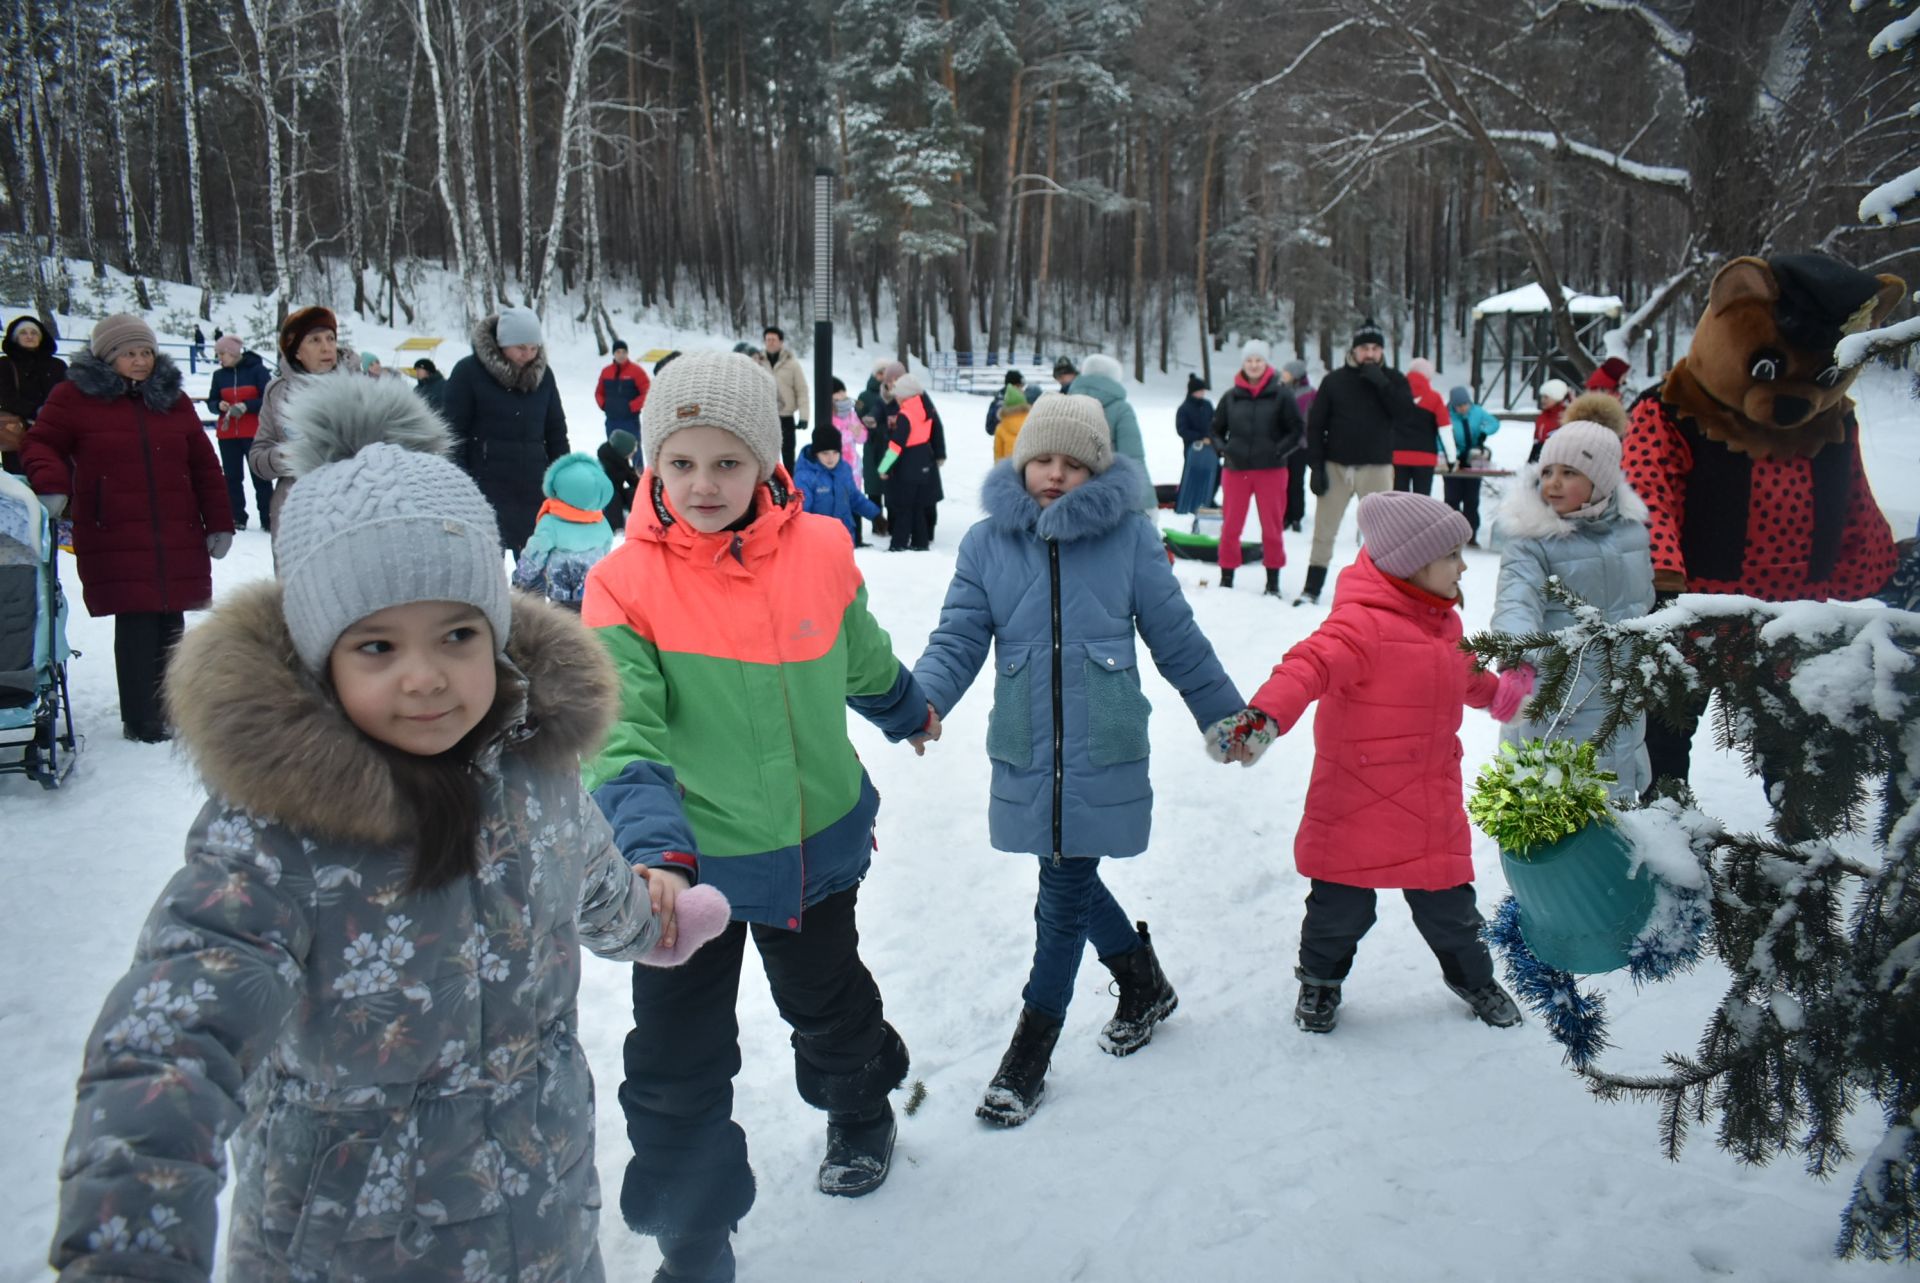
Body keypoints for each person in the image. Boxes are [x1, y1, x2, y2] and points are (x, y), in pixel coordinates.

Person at [48, 375, 727, 1280]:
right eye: (378, 645)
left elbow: (591, 873)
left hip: (541, 1213)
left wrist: (652, 923)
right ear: (318, 655)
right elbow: (170, 1043)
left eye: (457, 635)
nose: (426, 677)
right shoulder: (272, 837)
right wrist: (129, 1245)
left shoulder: (536, 769)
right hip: (350, 1244)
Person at [581, 351, 937, 1282]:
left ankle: (861, 1106)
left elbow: (859, 653)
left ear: (767, 463)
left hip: (817, 848)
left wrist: (906, 709)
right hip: (683, 875)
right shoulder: (623, 585)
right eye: (682, 463)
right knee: (674, 1058)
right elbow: (622, 735)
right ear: (653, 465)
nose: (703, 485)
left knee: (827, 1004)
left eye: (727, 462)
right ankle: (693, 1240)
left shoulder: (821, 548)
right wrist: (653, 850)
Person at [912, 395, 1243, 1126]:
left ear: (1098, 470)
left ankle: (1028, 1052)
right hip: (1030, 747)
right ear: (1020, 458)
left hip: (1104, 742)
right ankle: (1140, 980)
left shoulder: (1128, 539)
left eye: (1073, 462)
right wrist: (923, 701)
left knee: (1059, 894)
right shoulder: (986, 544)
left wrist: (1226, 716)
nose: (1055, 474)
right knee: (1067, 871)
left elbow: (1177, 638)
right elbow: (959, 637)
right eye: (1043, 459)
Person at [1212, 491, 1530, 1034]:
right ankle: (1319, 982)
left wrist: (1503, 694)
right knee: (1338, 912)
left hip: (1428, 801)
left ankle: (1472, 978)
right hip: (1355, 799)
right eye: (1452, 554)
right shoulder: (1360, 625)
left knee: (1452, 913)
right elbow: (1305, 667)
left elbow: (1466, 678)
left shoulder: (1442, 626)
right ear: (1413, 563)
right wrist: (1260, 720)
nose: (1462, 565)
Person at [22, 314, 234, 742]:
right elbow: (40, 442)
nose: (140, 361)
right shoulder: (74, 397)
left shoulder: (171, 399)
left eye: (146, 353)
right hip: (114, 526)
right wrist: (52, 485)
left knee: (171, 619)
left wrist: (219, 521)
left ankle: (174, 706)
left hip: (175, 524)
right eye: (129, 353)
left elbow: (203, 464)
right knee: (137, 621)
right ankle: (141, 716)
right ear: (107, 357)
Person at [1490, 398, 1654, 801]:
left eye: (1569, 472)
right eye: (1546, 471)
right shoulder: (1532, 540)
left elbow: (1643, 603)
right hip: (1557, 690)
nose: (1553, 483)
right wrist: (1516, 658)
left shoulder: (1633, 534)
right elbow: (1516, 599)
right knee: (1552, 792)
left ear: (1601, 480)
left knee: (1615, 787)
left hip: (1621, 689)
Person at [1298, 317, 1414, 606]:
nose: (1370, 354)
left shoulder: (1394, 379)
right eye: (1365, 348)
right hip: (1336, 466)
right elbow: (1315, 426)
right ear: (1354, 350)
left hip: (1376, 467)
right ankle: (1312, 588)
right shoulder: (1334, 381)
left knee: (1384, 535)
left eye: (1376, 348)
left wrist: (1382, 384)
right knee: (1325, 530)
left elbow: (1407, 417)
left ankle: (1386, 591)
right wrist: (1316, 466)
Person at [443, 305, 569, 556]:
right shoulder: (468, 373)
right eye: (521, 348)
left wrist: (563, 477)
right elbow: (452, 436)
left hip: (534, 489)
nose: (529, 355)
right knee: (487, 573)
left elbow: (555, 432)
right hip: (484, 493)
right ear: (501, 343)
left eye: (534, 348)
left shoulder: (543, 376)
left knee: (534, 576)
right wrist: (460, 487)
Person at [250, 306, 358, 537]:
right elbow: (258, 458)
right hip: (297, 513)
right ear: (296, 351)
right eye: (315, 340)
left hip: (352, 507)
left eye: (330, 338)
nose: (326, 347)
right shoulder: (277, 393)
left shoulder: (360, 387)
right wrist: (291, 456)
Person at [1211, 340, 1304, 595]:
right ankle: (1227, 576)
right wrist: (1223, 449)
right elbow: (1215, 429)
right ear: (1243, 364)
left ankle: (1272, 581)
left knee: (1272, 527)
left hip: (1271, 471)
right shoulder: (1231, 397)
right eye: (1249, 361)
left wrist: (1278, 451)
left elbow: (1296, 429)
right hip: (1236, 470)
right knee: (1231, 526)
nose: (1254, 365)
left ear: (1266, 364)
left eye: (1259, 361)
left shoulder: (1281, 393)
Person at [514, 451, 617, 610]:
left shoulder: (551, 523)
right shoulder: (601, 522)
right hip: (592, 591)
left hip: (561, 595)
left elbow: (535, 553)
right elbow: (607, 556)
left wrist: (521, 577)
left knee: (563, 630)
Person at [205, 334, 275, 532]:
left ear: (233, 352)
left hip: (254, 432)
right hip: (228, 435)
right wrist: (218, 405)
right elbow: (211, 402)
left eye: (222, 353)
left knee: (260, 476)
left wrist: (247, 406)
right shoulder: (219, 376)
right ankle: (237, 516)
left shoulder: (257, 371)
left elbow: (268, 398)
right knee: (232, 477)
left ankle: (268, 517)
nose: (219, 358)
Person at [1070, 354, 1155, 510]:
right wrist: (1147, 504)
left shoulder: (1066, 404)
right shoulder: (1121, 409)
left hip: (1069, 491)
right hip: (1109, 495)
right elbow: (1134, 457)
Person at [880, 371, 944, 551]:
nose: (897, 399)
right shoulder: (925, 408)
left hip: (908, 464)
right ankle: (920, 542)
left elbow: (896, 445)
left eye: (898, 395)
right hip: (924, 460)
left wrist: (884, 467)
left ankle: (898, 544)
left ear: (906, 395)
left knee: (903, 507)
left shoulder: (905, 415)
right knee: (917, 506)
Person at [1, 314, 66, 476]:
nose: (29, 336)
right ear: (15, 337)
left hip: (55, 429)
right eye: (24, 332)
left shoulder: (57, 365)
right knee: (22, 478)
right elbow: (5, 396)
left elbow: (68, 394)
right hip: (20, 430)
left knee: (56, 477)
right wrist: (35, 411)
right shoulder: (5, 364)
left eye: (34, 332)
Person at [796, 423, 881, 546]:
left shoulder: (844, 469)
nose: (831, 458)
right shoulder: (805, 477)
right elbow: (802, 512)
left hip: (844, 536)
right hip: (818, 541)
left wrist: (875, 515)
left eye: (835, 452)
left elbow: (854, 497)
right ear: (816, 453)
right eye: (825, 453)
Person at [1442, 385, 1502, 546]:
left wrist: (1484, 432)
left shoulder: (1477, 411)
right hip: (1452, 460)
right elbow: (1439, 435)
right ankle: (1452, 534)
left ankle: (1471, 533)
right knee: (1452, 498)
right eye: (1459, 406)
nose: (1463, 408)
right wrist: (1444, 455)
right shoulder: (1445, 414)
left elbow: (1494, 424)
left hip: (1474, 459)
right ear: (1453, 405)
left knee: (1471, 499)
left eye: (1465, 404)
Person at [1396, 358, 1452, 495]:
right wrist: (1451, 457)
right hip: (1425, 458)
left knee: (1397, 502)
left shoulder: (1395, 395)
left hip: (1397, 456)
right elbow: (1445, 429)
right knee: (1421, 503)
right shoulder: (1435, 398)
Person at [763, 325, 810, 472]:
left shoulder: (792, 364)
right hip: (765, 417)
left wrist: (804, 416)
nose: (770, 342)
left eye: (774, 339)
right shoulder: (758, 362)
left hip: (786, 417)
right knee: (767, 457)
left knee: (788, 456)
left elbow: (802, 390)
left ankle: (790, 490)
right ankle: (768, 491)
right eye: (767, 339)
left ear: (781, 342)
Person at [856, 360, 894, 537]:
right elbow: (857, 416)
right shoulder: (864, 396)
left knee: (892, 486)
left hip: (891, 444)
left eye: (885, 373)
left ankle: (893, 523)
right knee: (873, 486)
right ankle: (877, 524)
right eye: (880, 373)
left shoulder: (893, 393)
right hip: (872, 445)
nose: (882, 377)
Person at [1173, 374, 1217, 515]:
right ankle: (1186, 501)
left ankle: (1208, 498)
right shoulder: (1184, 409)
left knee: (1216, 473)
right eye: (1199, 391)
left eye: (1203, 391)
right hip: (1193, 449)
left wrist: (1213, 437)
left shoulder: (1207, 405)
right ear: (1192, 392)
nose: (1202, 393)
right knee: (1192, 475)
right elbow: (1182, 430)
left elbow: (1215, 423)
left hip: (1210, 448)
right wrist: (1199, 438)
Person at [1279, 360, 1315, 531]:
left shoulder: (1310, 394)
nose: (1283, 375)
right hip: (1282, 444)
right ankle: (1284, 515)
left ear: (1295, 375)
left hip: (1300, 446)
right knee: (1282, 482)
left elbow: (1313, 420)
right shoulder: (1280, 391)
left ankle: (1296, 517)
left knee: (1296, 482)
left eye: (1286, 372)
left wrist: (1306, 439)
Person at [597, 338, 651, 444]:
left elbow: (648, 392)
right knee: (613, 451)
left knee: (634, 451)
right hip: (611, 420)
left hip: (630, 420)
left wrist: (631, 407)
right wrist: (604, 405)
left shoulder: (636, 371)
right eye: (618, 352)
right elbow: (599, 392)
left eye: (624, 352)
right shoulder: (606, 371)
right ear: (614, 354)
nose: (621, 355)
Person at [600, 427, 641, 533]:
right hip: (603, 497)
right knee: (613, 497)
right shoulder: (604, 464)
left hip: (617, 491)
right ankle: (616, 529)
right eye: (631, 451)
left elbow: (630, 476)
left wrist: (642, 486)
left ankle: (640, 518)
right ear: (623, 450)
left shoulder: (621, 459)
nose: (633, 454)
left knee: (633, 492)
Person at [1529, 378, 1572, 463]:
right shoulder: (1543, 415)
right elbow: (1538, 434)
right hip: (1539, 449)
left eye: (1546, 397)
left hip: (1556, 453)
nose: (1542, 400)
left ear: (1557, 397)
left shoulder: (1564, 416)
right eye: (1542, 397)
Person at [993, 383, 1031, 462]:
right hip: (1029, 468)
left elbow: (998, 454)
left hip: (1009, 468)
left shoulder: (1001, 427)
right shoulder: (1032, 422)